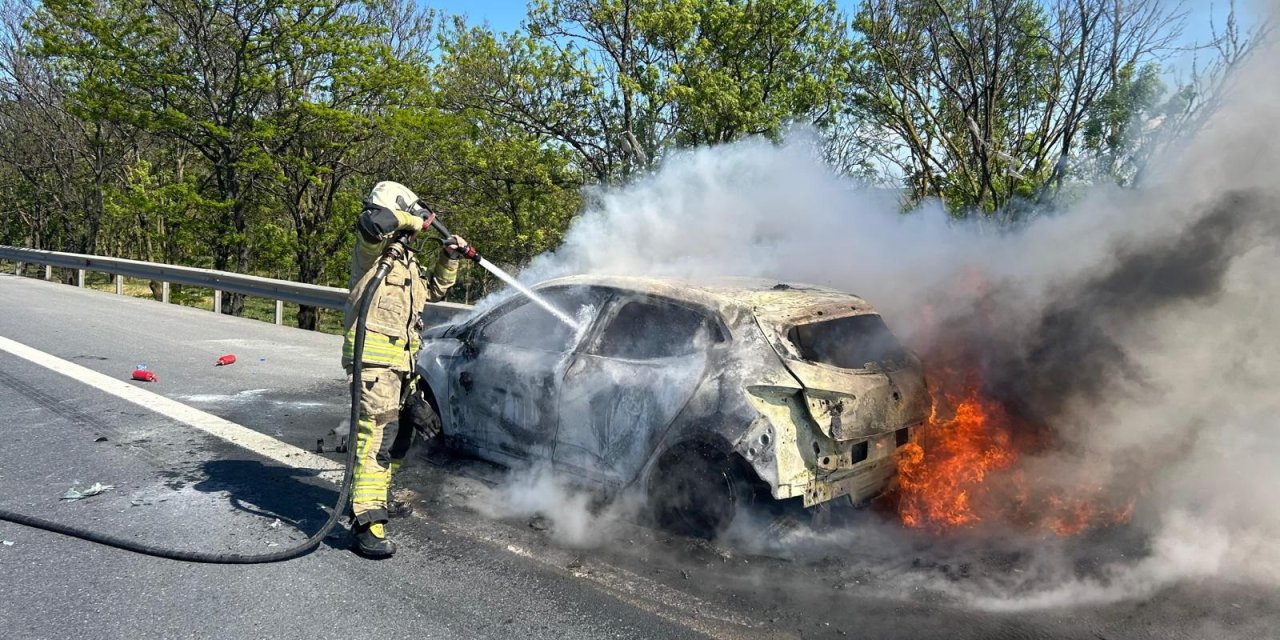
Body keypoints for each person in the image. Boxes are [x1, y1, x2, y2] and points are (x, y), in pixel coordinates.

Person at [341, 181, 467, 558]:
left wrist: (449, 258)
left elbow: (434, 292)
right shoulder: (372, 252)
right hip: (374, 364)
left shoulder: (404, 263)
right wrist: (414, 219)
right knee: (374, 441)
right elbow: (373, 222)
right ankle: (366, 523)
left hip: (402, 364)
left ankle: (378, 497)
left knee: (401, 437)